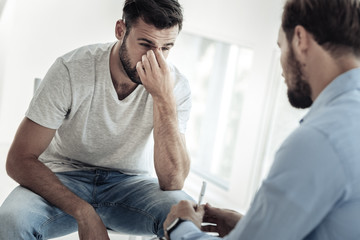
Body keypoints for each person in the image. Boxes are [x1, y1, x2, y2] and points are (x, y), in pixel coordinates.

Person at [163, 0, 360, 239]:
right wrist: (249, 226)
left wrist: (180, 227)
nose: (281, 67)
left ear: (300, 39)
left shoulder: (319, 139)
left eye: (281, 46)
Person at [0, 0, 193, 239]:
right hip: (65, 175)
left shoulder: (176, 87)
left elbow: (173, 182)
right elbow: (18, 160)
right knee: (10, 221)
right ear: (121, 31)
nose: (155, 59)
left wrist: (163, 98)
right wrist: (83, 211)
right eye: (145, 44)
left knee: (187, 219)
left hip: (130, 186)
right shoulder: (70, 69)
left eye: (166, 48)